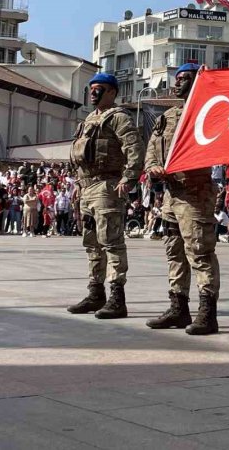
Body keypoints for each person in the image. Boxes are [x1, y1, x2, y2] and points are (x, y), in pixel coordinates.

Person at [145, 63, 220, 335]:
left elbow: (217, 145)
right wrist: (152, 167)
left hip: (195, 193)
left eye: (186, 79)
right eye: (177, 79)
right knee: (174, 251)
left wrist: (212, 85)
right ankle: (178, 308)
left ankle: (207, 313)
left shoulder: (208, 113)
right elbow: (152, 148)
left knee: (200, 252)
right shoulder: (168, 116)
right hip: (171, 194)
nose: (178, 83)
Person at [67, 72, 144, 319]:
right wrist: (78, 184)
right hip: (87, 188)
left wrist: (129, 178)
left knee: (111, 242)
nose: (93, 93)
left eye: (98, 88)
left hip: (106, 187)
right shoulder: (89, 119)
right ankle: (95, 293)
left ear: (112, 92)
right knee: (91, 243)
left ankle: (117, 298)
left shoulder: (119, 118)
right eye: (91, 89)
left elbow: (134, 148)